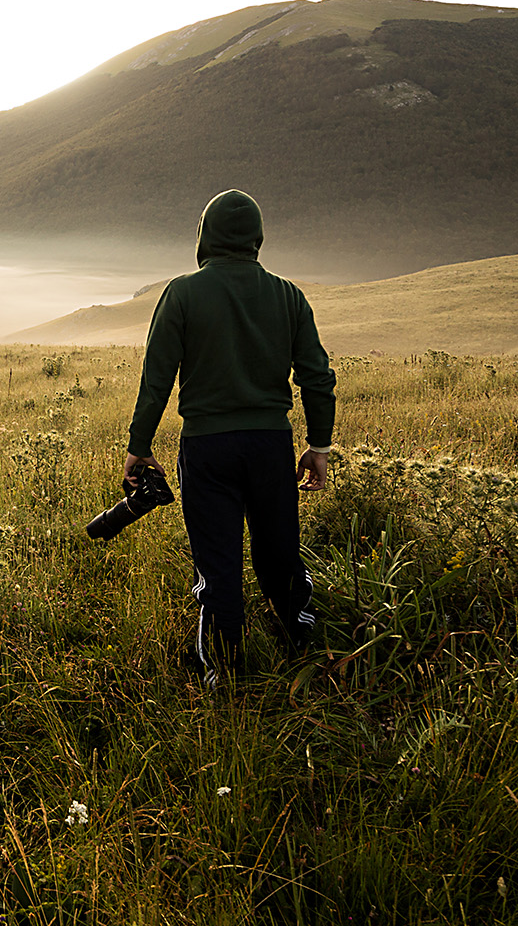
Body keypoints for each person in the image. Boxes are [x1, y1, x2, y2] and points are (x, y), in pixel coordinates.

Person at [121, 189, 336, 686]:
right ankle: (302, 645)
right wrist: (319, 446)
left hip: (208, 451)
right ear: (257, 238)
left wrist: (140, 445)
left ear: (205, 236)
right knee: (279, 553)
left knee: (218, 566)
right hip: (270, 446)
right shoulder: (288, 296)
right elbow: (317, 377)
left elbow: (156, 380)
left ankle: (228, 676)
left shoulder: (182, 293)